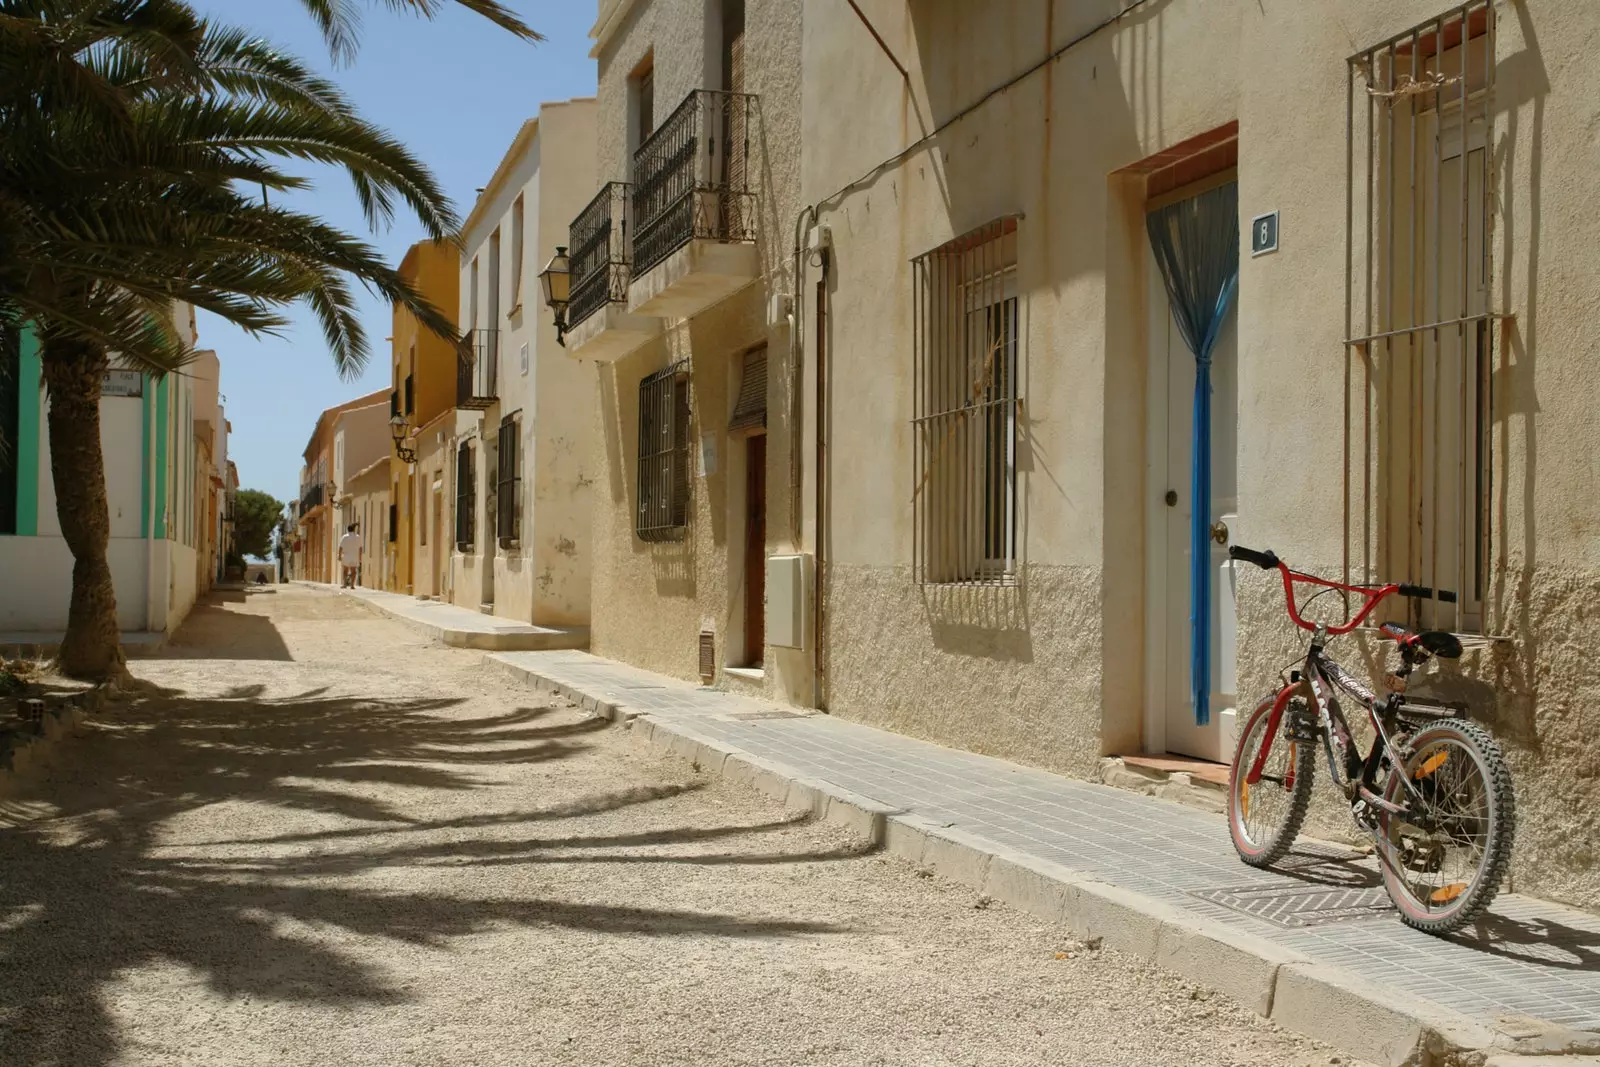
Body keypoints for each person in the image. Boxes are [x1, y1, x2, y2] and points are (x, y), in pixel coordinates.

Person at [338, 523, 363, 588]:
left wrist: (339, 556)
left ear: (348, 530)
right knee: (353, 571)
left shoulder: (344, 537)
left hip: (346, 556)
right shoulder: (358, 537)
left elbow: (340, 547)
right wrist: (360, 557)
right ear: (354, 530)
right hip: (354, 556)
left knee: (345, 571)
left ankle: (344, 584)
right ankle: (352, 585)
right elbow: (360, 548)